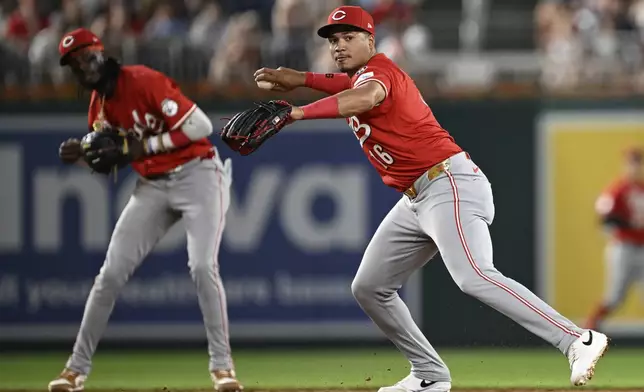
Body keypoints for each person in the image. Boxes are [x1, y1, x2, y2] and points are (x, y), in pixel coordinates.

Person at [254, 6, 609, 392]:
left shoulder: (381, 72)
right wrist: (300, 78)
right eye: (334, 40)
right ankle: (429, 374)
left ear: (370, 40)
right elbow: (344, 86)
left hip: (448, 183)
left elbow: (365, 97)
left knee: (474, 276)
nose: (339, 46)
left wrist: (297, 112)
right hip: (416, 199)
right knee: (369, 287)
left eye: (349, 37)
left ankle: (576, 339)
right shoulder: (360, 76)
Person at [48, 28, 242, 392]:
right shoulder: (98, 110)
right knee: (109, 275)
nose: (82, 65)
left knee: (202, 266)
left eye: (86, 55)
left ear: (101, 52)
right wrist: (84, 157)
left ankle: (223, 368)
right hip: (152, 186)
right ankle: (74, 370)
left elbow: (201, 126)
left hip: (198, 174)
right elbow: (113, 158)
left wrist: (145, 146)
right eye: (74, 63)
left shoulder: (142, 80)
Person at [586, 147, 644, 330]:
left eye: (638, 162)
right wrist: (627, 223)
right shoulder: (617, 189)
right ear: (625, 164)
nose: (635, 166)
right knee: (614, 297)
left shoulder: (642, 188)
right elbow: (605, 219)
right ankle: (588, 331)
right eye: (631, 162)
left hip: (642, 247)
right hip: (624, 247)